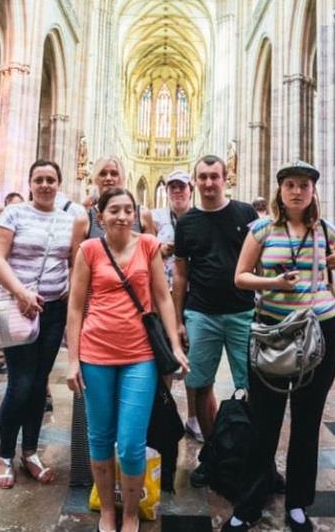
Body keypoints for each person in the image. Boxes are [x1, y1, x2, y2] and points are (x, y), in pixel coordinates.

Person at [223, 161, 335, 532]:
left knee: (307, 421)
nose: (297, 191)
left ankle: (298, 504)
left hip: (320, 332)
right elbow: (240, 277)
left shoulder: (324, 229)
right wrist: (275, 284)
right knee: (264, 422)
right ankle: (248, 505)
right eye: (290, 185)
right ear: (280, 191)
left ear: (313, 192)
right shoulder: (262, 228)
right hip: (272, 333)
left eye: (304, 185)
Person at [66, 187, 189, 532]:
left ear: (135, 214)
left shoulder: (148, 245)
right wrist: (73, 360)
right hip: (95, 352)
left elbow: (163, 299)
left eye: (128, 210)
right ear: (100, 215)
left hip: (140, 355)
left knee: (133, 442)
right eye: (114, 210)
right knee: (100, 438)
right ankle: (108, 509)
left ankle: (132, 512)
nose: (122, 216)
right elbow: (75, 307)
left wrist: (175, 345)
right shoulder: (89, 250)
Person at [68, 157, 156, 488]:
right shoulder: (82, 218)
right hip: (93, 330)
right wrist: (73, 348)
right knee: (92, 421)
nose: (107, 177)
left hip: (135, 335)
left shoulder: (140, 217)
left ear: (124, 177)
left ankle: (129, 491)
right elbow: (75, 272)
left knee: (132, 430)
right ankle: (85, 476)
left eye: (113, 173)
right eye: (103, 173)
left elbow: (153, 274)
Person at [0, 160, 75, 489]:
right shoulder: (13, 214)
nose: (45, 185)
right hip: (16, 307)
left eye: (51, 179)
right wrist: (21, 292)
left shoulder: (68, 220)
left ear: (59, 183)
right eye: (39, 179)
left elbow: (70, 263)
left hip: (52, 311)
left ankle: (30, 453)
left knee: (40, 384)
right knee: (20, 383)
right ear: (30, 183)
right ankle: (4, 456)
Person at [174, 154, 258, 487]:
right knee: (199, 384)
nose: (209, 183)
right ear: (196, 181)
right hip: (201, 313)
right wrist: (179, 319)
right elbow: (180, 274)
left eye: (215, 176)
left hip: (242, 313)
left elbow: (261, 261)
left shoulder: (245, 213)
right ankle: (213, 455)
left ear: (225, 179)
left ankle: (255, 458)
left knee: (251, 386)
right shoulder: (187, 222)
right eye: (203, 177)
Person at [152, 168, 208, 442]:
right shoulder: (155, 217)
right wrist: (161, 250)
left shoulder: (200, 218)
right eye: (172, 187)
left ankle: (194, 416)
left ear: (190, 190)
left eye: (182, 187)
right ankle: (164, 411)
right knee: (163, 357)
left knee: (193, 359)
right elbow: (145, 249)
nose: (177, 191)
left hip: (193, 298)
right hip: (163, 296)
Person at [0, 193, 25, 376]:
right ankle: (0, 358)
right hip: (3, 280)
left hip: (26, 283)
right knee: (1, 317)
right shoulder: (0, 225)